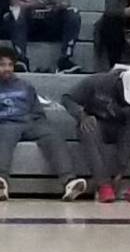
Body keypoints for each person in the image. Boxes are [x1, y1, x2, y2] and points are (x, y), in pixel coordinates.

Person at [61, 66, 130, 204]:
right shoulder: (96, 82)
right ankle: (103, 184)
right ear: (119, 83)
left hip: (122, 129)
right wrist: (81, 115)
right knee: (88, 128)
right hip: (97, 124)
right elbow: (67, 98)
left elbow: (129, 136)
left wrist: (120, 170)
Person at [0, 46, 86, 201]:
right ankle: (1, 181)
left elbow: (37, 109)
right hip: (6, 123)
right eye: (2, 65)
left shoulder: (24, 85)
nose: (7, 69)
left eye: (10, 65)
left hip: (30, 121)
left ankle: (69, 181)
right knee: (5, 137)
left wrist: (38, 122)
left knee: (53, 135)